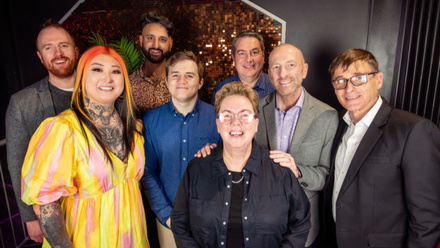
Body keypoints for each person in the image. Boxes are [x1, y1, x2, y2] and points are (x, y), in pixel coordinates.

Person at [21, 46, 150, 248]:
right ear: (81, 78)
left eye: (116, 71)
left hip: (131, 234)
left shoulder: (133, 128)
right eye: (97, 69)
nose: (108, 78)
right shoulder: (64, 130)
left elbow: (133, 185)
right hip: (87, 237)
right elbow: (46, 203)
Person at [321, 48, 440, 247]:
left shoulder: (413, 130)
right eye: (340, 81)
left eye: (358, 78)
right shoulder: (338, 123)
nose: (348, 89)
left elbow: (427, 217)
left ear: (378, 80)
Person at [172, 81, 311, 247]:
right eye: (227, 115)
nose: (235, 122)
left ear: (256, 124)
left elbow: (300, 222)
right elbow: (180, 223)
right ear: (218, 124)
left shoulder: (280, 171)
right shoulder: (197, 169)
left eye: (244, 115)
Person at [256, 43, 338, 247]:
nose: (283, 74)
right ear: (269, 73)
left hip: (303, 226)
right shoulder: (254, 108)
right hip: (258, 221)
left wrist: (298, 171)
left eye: (290, 65)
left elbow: (326, 176)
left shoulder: (327, 116)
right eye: (276, 67)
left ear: (304, 70)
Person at [6, 19, 79, 244]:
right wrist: (29, 216)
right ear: (40, 56)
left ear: (76, 51)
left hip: (98, 204)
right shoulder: (22, 103)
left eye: (64, 45)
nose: (58, 53)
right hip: (53, 212)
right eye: (49, 48)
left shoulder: (100, 89)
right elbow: (16, 163)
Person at [142, 51, 220, 247]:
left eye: (189, 75)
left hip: (213, 220)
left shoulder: (219, 118)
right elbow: (148, 171)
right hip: (170, 220)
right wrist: (165, 215)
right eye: (175, 75)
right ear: (167, 81)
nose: (181, 80)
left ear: (200, 82)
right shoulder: (151, 120)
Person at [130, 11, 174, 117]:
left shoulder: (178, 83)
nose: (156, 45)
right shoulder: (128, 85)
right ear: (141, 40)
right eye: (150, 38)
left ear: (170, 44)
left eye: (162, 39)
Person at [211, 30, 274, 104]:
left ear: (263, 56)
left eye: (254, 52)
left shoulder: (275, 87)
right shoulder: (221, 89)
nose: (249, 59)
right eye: (242, 53)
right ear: (234, 58)